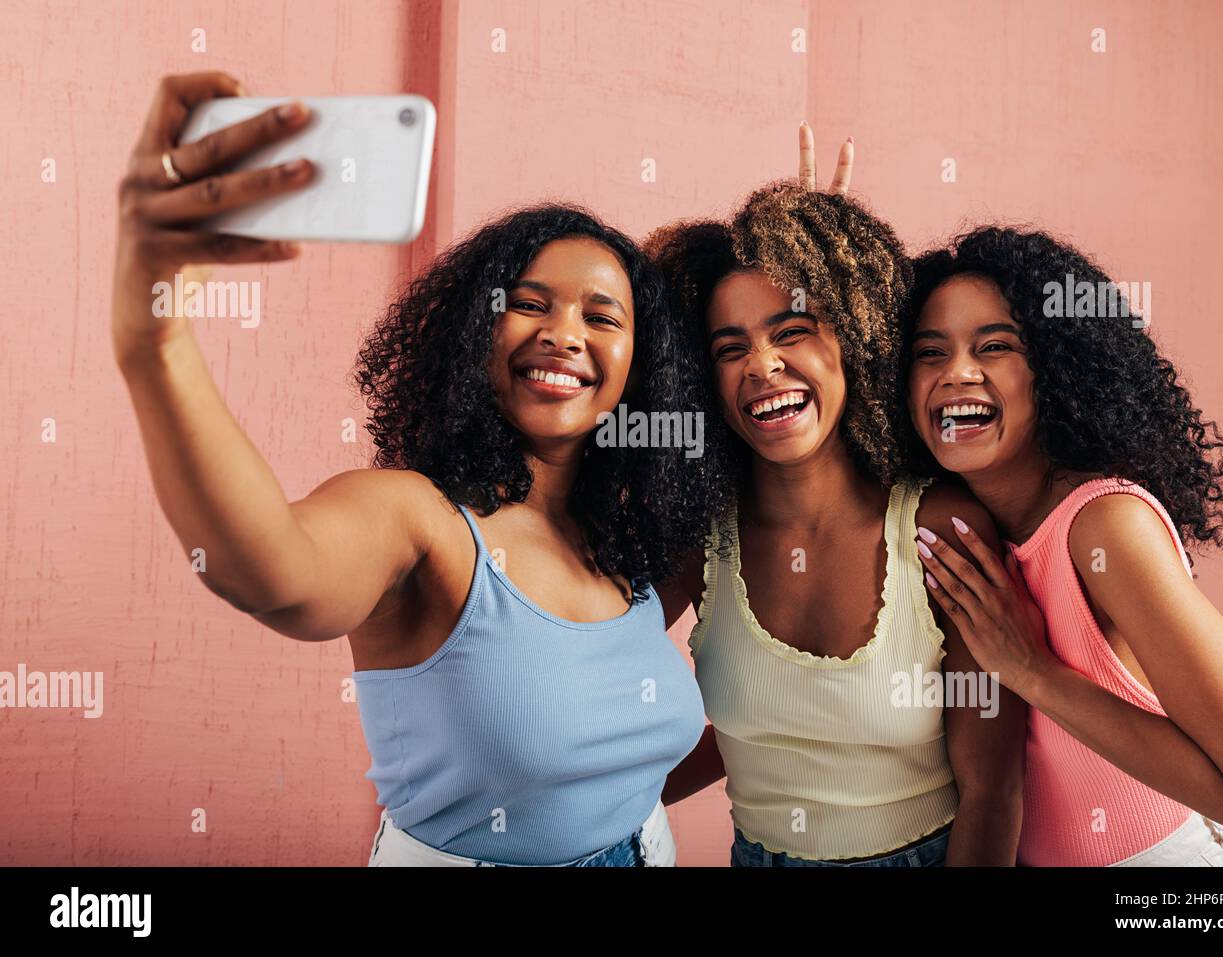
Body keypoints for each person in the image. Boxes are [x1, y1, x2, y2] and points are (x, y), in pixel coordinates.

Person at [112, 71, 716, 867]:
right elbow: (269, 568)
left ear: (642, 369)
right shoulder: (418, 520)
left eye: (601, 316)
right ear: (475, 333)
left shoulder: (631, 545)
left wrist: (796, 295)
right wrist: (156, 342)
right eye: (530, 304)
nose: (565, 333)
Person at [651, 126, 1026, 867]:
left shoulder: (940, 528)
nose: (762, 363)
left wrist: (825, 258)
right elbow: (746, 729)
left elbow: (994, 792)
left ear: (854, 335)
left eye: (792, 329)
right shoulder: (703, 536)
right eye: (731, 348)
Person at [903, 225, 1223, 865]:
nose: (957, 373)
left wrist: (1032, 671)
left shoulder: (1103, 525)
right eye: (929, 351)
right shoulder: (965, 526)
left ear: (1055, 371)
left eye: (995, 346)